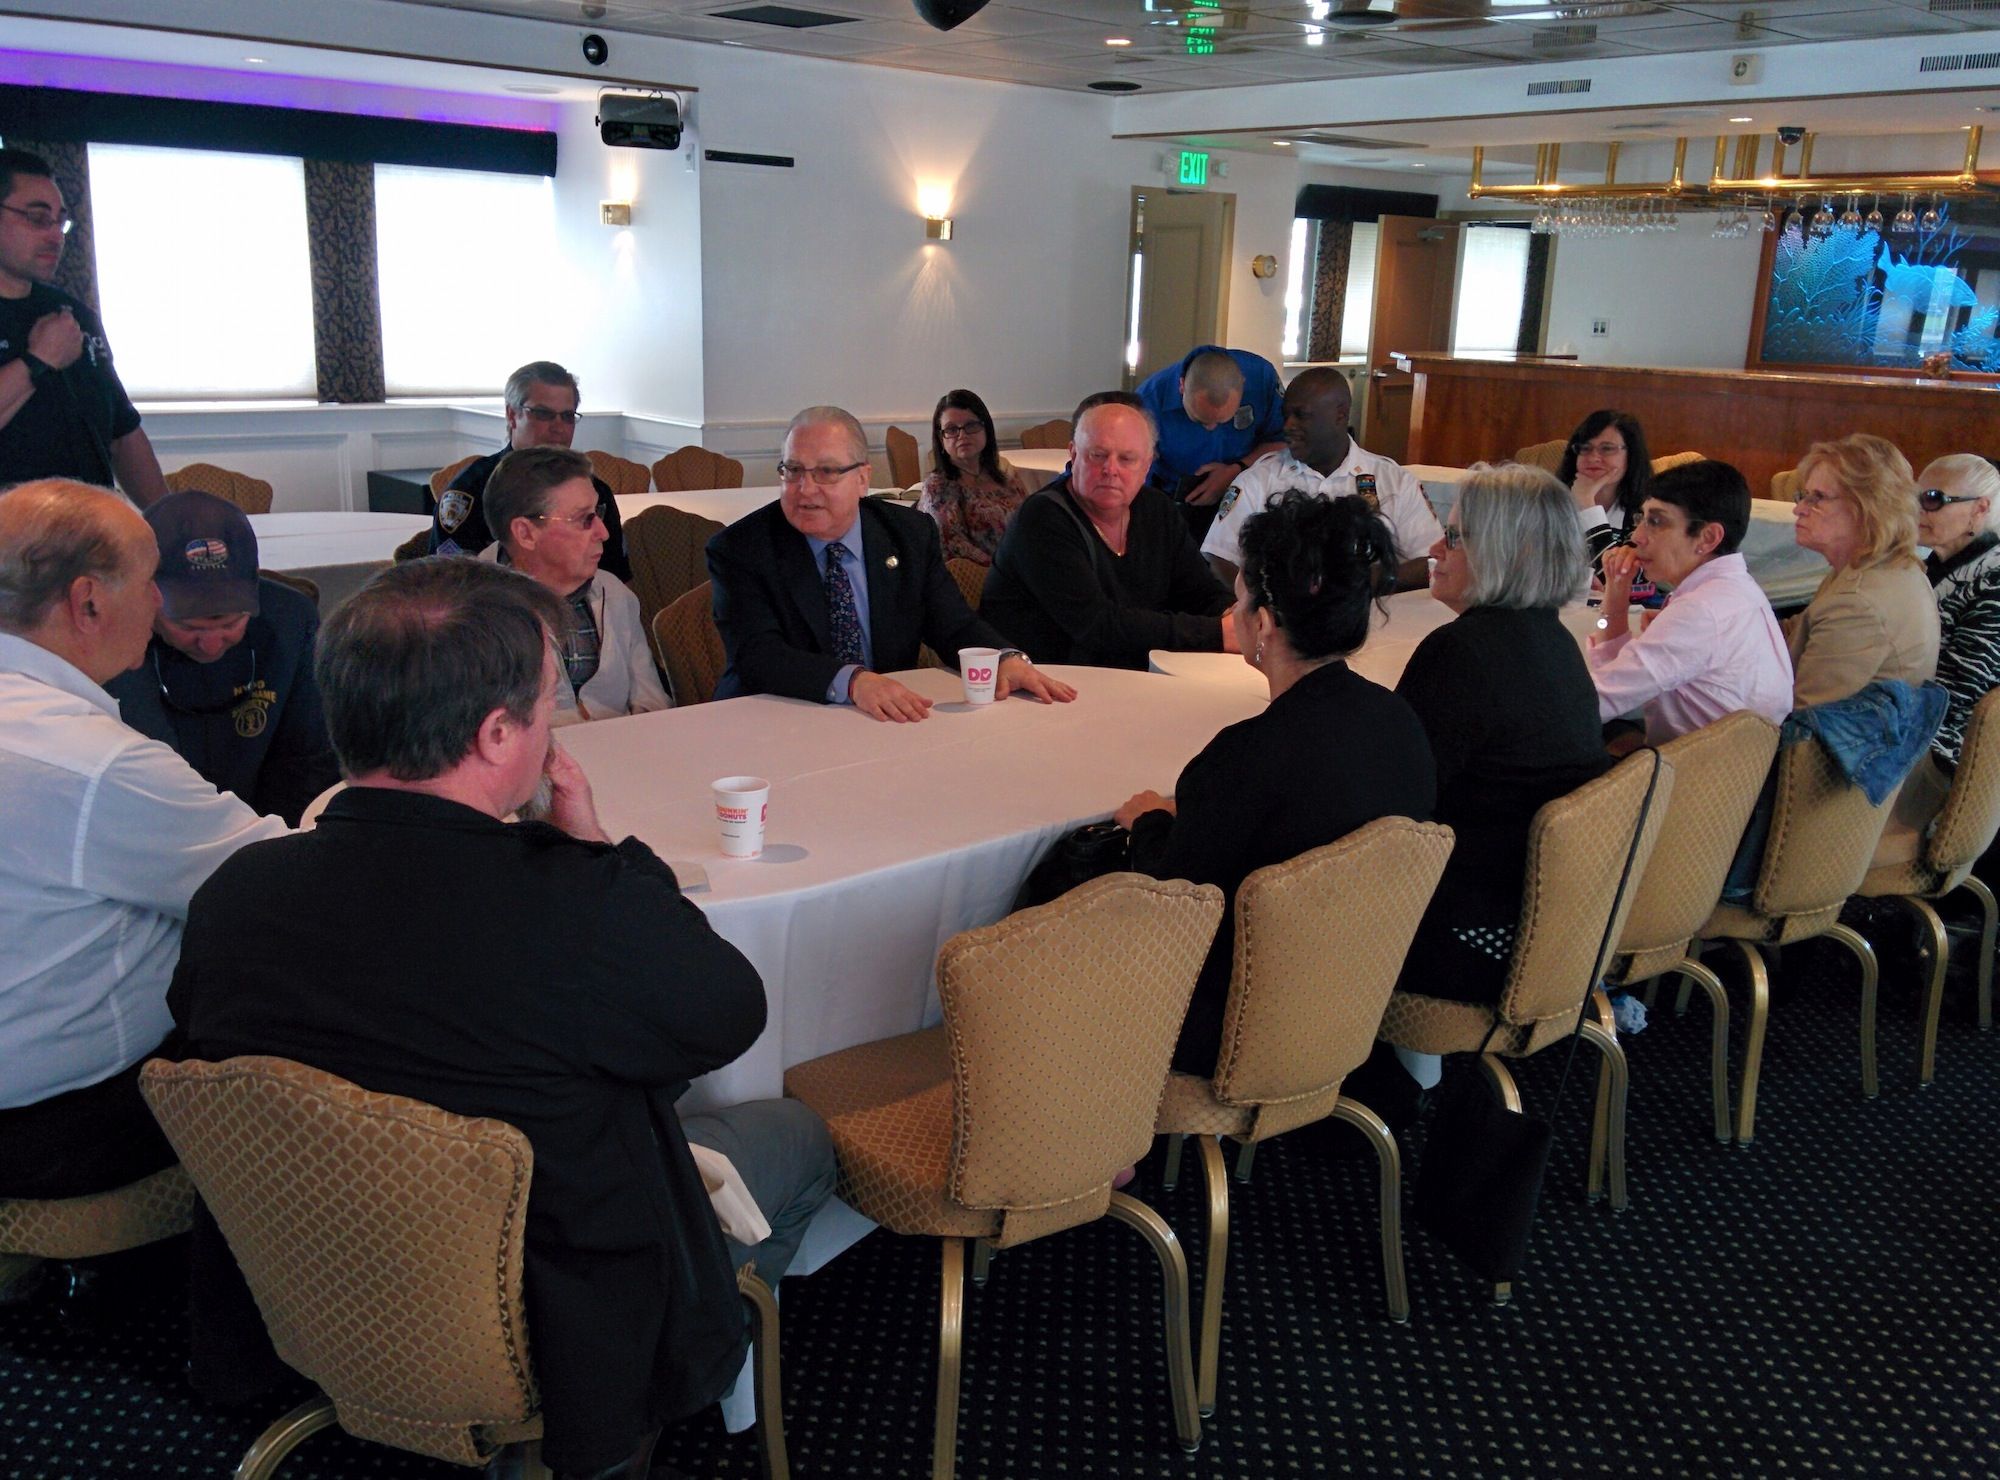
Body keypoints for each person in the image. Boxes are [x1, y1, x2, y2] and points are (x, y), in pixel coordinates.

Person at [166, 557, 836, 1480]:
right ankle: (645, 1420)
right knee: (797, 1135)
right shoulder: (569, 907)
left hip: (316, 1277)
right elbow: (726, 1014)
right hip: (547, 1315)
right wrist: (597, 852)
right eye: (548, 703)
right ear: (495, 734)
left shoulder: (233, 896)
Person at [0, 480, 284, 1201]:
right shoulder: (95, 764)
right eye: (148, 580)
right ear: (88, 601)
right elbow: (276, 881)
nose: (161, 603)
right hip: (50, 1124)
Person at [1115, 494, 1436, 1076]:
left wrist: (1152, 824)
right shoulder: (1401, 723)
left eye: (1238, 599)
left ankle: (1091, 1131)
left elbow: (1175, 903)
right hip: (1352, 1005)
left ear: (1260, 624)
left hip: (1237, 1025)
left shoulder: (1244, 756)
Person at [1394, 463, 1611, 1009]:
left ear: (1507, 551)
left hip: (1471, 938)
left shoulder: (1460, 652)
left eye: (1458, 536)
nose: (1437, 548)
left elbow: (1392, 808)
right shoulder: (1555, 640)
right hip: (1550, 931)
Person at [706, 404, 1075, 721]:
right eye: (793, 470)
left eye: (826, 472)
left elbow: (953, 625)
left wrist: (1004, 658)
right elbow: (759, 655)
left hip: (880, 722)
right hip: (770, 720)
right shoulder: (741, 548)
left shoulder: (908, 534)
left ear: (863, 479)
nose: (805, 488)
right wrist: (853, 681)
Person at [103, 489, 339, 824]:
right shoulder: (110, 638)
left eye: (231, 623)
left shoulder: (291, 621)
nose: (211, 645)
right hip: (156, 824)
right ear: (144, 594)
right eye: (188, 625)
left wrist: (266, 843)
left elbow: (309, 758)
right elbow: (135, 773)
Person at [980, 395, 1238, 670]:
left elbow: (1199, 591)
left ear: (1147, 466)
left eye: (1127, 459)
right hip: (1041, 684)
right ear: (1074, 454)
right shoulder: (1042, 518)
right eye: (1098, 455)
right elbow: (1096, 626)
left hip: (1127, 675)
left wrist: (1234, 616)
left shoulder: (1156, 509)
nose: (1110, 470)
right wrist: (1217, 633)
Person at [0, 149, 167, 506]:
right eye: (36, 218)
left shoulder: (73, 314)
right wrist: (38, 360)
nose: (55, 236)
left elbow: (123, 434)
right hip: (14, 549)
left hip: (92, 538)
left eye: (60, 222)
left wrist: (167, 522)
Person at [1587, 459, 1793, 744]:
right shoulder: (1733, 589)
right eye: (1641, 518)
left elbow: (1597, 702)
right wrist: (1615, 594)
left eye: (1656, 521)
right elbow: (1616, 675)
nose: (1637, 537)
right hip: (1726, 768)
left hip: (1699, 781)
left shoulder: (1700, 611)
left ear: (1708, 537)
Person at [1201, 366, 1441, 591]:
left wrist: (1361, 584)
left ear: (1341, 415)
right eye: (1285, 416)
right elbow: (1219, 557)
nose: (1287, 426)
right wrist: (1264, 601)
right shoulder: (1258, 481)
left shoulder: (1394, 481)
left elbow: (1432, 561)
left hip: (1378, 619)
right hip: (1285, 623)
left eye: (1301, 415)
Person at [483, 444, 669, 723]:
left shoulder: (613, 592)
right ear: (525, 533)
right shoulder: (474, 616)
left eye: (598, 513)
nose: (603, 532)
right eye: (584, 519)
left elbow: (653, 703)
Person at [429, 359, 631, 580]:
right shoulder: (470, 492)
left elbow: (613, 579)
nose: (558, 428)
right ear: (512, 415)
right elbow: (449, 585)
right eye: (543, 414)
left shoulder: (595, 491)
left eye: (567, 416)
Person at [1786, 433, 1939, 709]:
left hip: (1843, 749)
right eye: (1804, 495)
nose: (1799, 509)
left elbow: (1805, 724)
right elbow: (1802, 628)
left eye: (1817, 498)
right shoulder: (1878, 565)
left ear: (1868, 507)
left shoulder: (1857, 603)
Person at [1134, 345, 1286, 539]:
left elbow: (1283, 442)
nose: (1211, 427)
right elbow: (1135, 473)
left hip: (1246, 496)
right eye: (1199, 420)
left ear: (1244, 385)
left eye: (1224, 420)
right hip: (1175, 503)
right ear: (1181, 386)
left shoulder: (1262, 379)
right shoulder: (1148, 401)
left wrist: (1236, 470)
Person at [1914, 453, 2000, 771]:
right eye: (1917, 497)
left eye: (1934, 499)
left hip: (1949, 748)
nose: (1919, 508)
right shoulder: (1931, 564)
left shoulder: (1994, 580)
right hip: (1911, 720)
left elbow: (1959, 693)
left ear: (1980, 508)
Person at [916, 388, 1035, 566]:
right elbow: (953, 549)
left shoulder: (1006, 478)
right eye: (951, 429)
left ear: (985, 428)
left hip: (1024, 571)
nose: (962, 435)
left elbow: (1031, 525)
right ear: (941, 439)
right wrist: (1007, 571)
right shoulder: (937, 488)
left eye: (971, 426)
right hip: (980, 583)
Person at [1559, 409, 1651, 567]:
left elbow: (1621, 577)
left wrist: (1588, 506)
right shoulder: (1550, 502)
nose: (1593, 458)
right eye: (1585, 448)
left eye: (1607, 449)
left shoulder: (1648, 511)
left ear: (1632, 455)